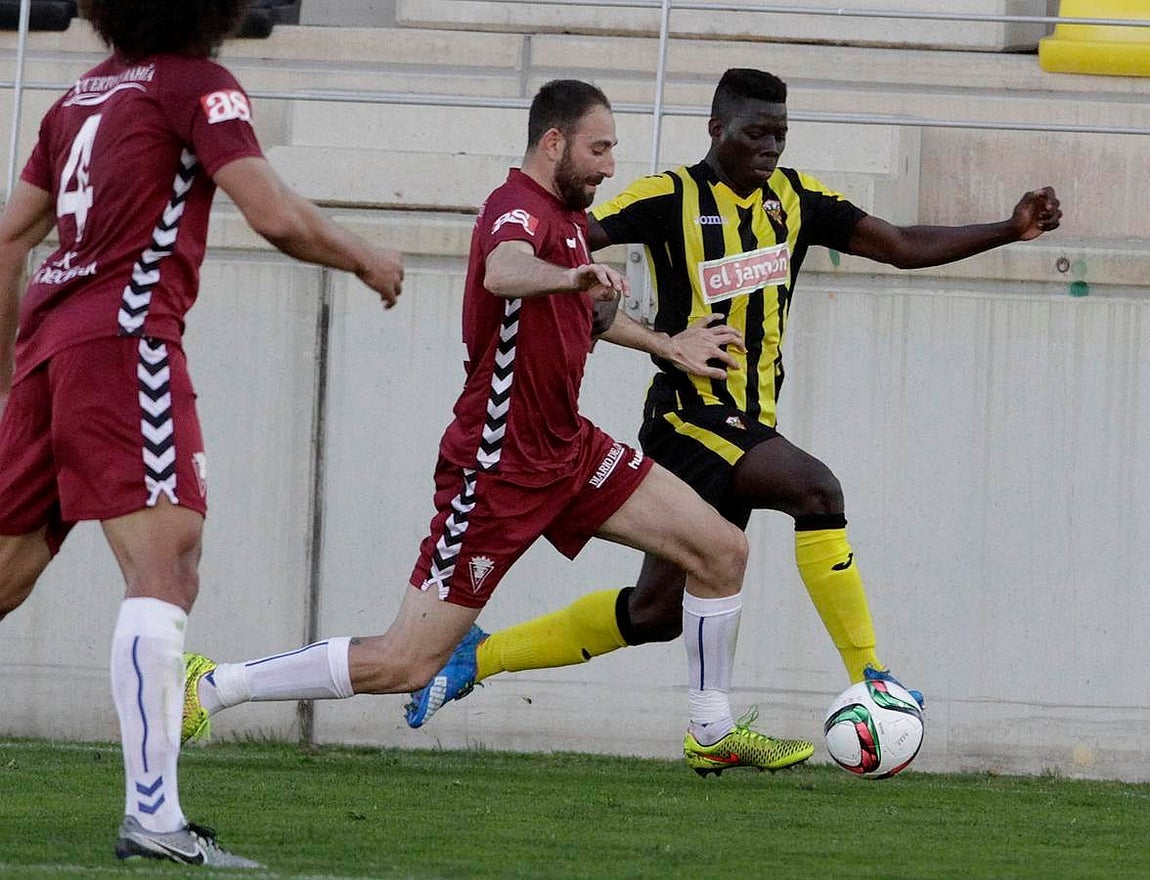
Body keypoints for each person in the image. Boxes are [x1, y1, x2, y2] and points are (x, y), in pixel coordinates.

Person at [180, 79, 816, 782]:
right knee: (404, 662)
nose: (610, 166)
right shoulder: (515, 208)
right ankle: (213, 685)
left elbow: (593, 314)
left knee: (722, 549)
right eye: (599, 149)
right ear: (554, 142)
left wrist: (666, 345)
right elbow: (503, 271)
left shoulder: (569, 219)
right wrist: (571, 278)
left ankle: (711, 730)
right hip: (498, 466)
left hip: (569, 450)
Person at [403, 67, 1062, 731]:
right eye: (756, 133)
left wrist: (1009, 229)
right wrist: (616, 313)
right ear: (717, 130)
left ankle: (479, 657)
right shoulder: (669, 196)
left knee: (655, 614)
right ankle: (871, 677)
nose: (770, 147)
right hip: (687, 419)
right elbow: (569, 245)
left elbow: (899, 245)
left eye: (780, 134)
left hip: (749, 424)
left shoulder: (796, 199)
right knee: (817, 492)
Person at [0, 0, 404, 868]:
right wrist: (365, 255)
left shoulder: (78, 97)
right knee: (167, 566)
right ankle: (154, 817)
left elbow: (7, 240)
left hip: (49, 350)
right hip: (127, 342)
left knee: (6, 576)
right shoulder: (198, 85)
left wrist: (9, 377)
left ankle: (155, 814)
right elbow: (274, 214)